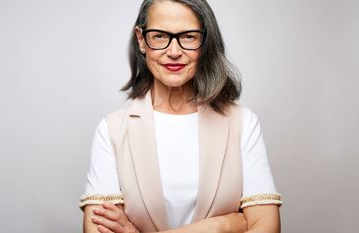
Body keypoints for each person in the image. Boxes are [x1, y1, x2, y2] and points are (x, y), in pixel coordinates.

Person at [80, 0, 282, 232]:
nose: (174, 52)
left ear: (205, 41)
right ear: (141, 39)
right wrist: (223, 226)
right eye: (159, 36)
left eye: (188, 36)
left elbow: (267, 228)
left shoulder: (243, 123)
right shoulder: (112, 130)